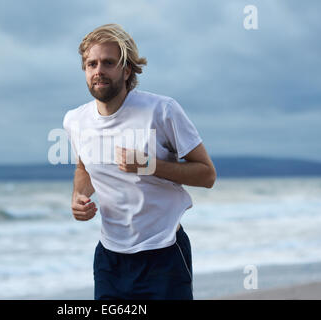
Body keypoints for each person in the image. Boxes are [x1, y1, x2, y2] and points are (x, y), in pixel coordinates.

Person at [63, 24, 216, 300]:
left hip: (164, 254)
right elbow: (83, 167)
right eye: (91, 63)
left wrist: (149, 164)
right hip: (110, 259)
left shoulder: (163, 111)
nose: (98, 70)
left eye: (108, 63)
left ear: (126, 70)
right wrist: (79, 196)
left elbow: (207, 175)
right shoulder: (75, 120)